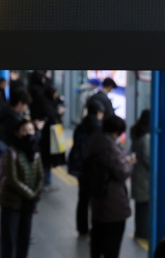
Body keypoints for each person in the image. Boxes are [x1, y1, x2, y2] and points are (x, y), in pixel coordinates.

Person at [84, 115, 134, 258]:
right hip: (112, 201)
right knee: (111, 245)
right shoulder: (109, 147)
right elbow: (122, 173)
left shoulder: (95, 140)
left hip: (98, 198)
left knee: (97, 240)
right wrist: (129, 163)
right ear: (117, 132)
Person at [0, 119, 44, 258]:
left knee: (24, 239)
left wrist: (36, 193)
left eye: (31, 130)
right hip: (12, 203)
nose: (29, 133)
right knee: (9, 240)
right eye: (25, 130)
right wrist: (31, 195)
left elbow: (40, 176)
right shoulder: (10, 153)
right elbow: (12, 179)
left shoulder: (35, 152)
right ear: (17, 133)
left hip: (27, 204)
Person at [68, 100, 104, 238]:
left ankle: (82, 228)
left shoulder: (80, 125)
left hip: (81, 167)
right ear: (99, 113)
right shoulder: (99, 127)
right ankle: (95, 228)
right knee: (95, 199)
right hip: (94, 168)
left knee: (82, 198)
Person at [37, 87, 65, 193]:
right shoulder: (47, 105)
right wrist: (59, 113)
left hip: (46, 136)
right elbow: (52, 116)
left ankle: (46, 181)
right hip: (48, 137)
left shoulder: (45, 101)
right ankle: (46, 182)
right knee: (46, 160)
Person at [130, 109, 150, 241]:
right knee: (144, 207)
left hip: (137, 174)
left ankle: (139, 231)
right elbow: (149, 158)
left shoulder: (136, 131)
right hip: (145, 178)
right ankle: (142, 233)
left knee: (140, 206)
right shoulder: (147, 137)